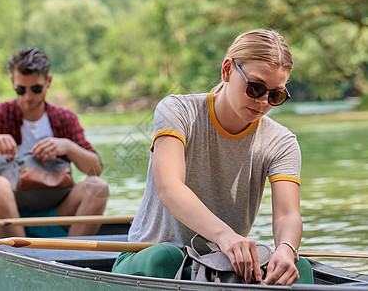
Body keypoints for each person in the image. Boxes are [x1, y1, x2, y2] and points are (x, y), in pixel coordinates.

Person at [112, 29, 312, 285]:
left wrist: (286, 249)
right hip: (152, 261)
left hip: (221, 268)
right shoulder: (177, 110)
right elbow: (170, 188)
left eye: (276, 95)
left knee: (300, 268)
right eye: (255, 87)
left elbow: (287, 215)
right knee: (168, 257)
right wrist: (225, 236)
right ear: (227, 70)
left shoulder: (282, 141)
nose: (263, 102)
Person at [0, 48, 108, 238]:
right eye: (21, 90)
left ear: (49, 82)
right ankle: (20, 255)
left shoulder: (65, 119)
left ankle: (73, 257)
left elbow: (95, 169)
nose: (28, 97)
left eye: (36, 89)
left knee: (98, 187)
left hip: (54, 213)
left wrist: (68, 147)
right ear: (12, 82)